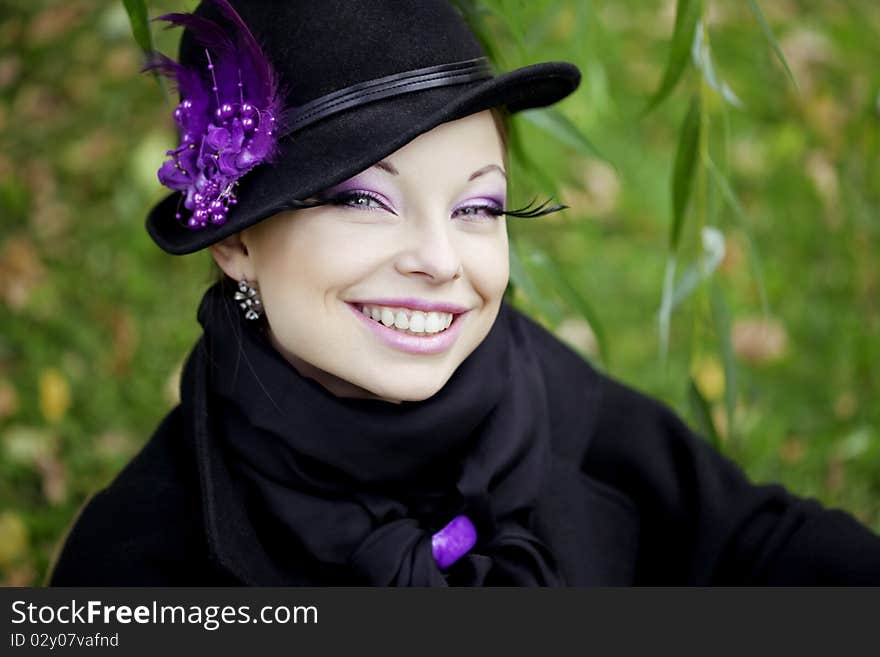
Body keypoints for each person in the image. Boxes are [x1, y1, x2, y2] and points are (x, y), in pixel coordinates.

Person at [48, 0, 880, 586]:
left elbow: (753, 544)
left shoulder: (538, 387)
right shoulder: (138, 567)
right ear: (236, 239)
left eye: (477, 206)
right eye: (365, 200)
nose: (442, 260)